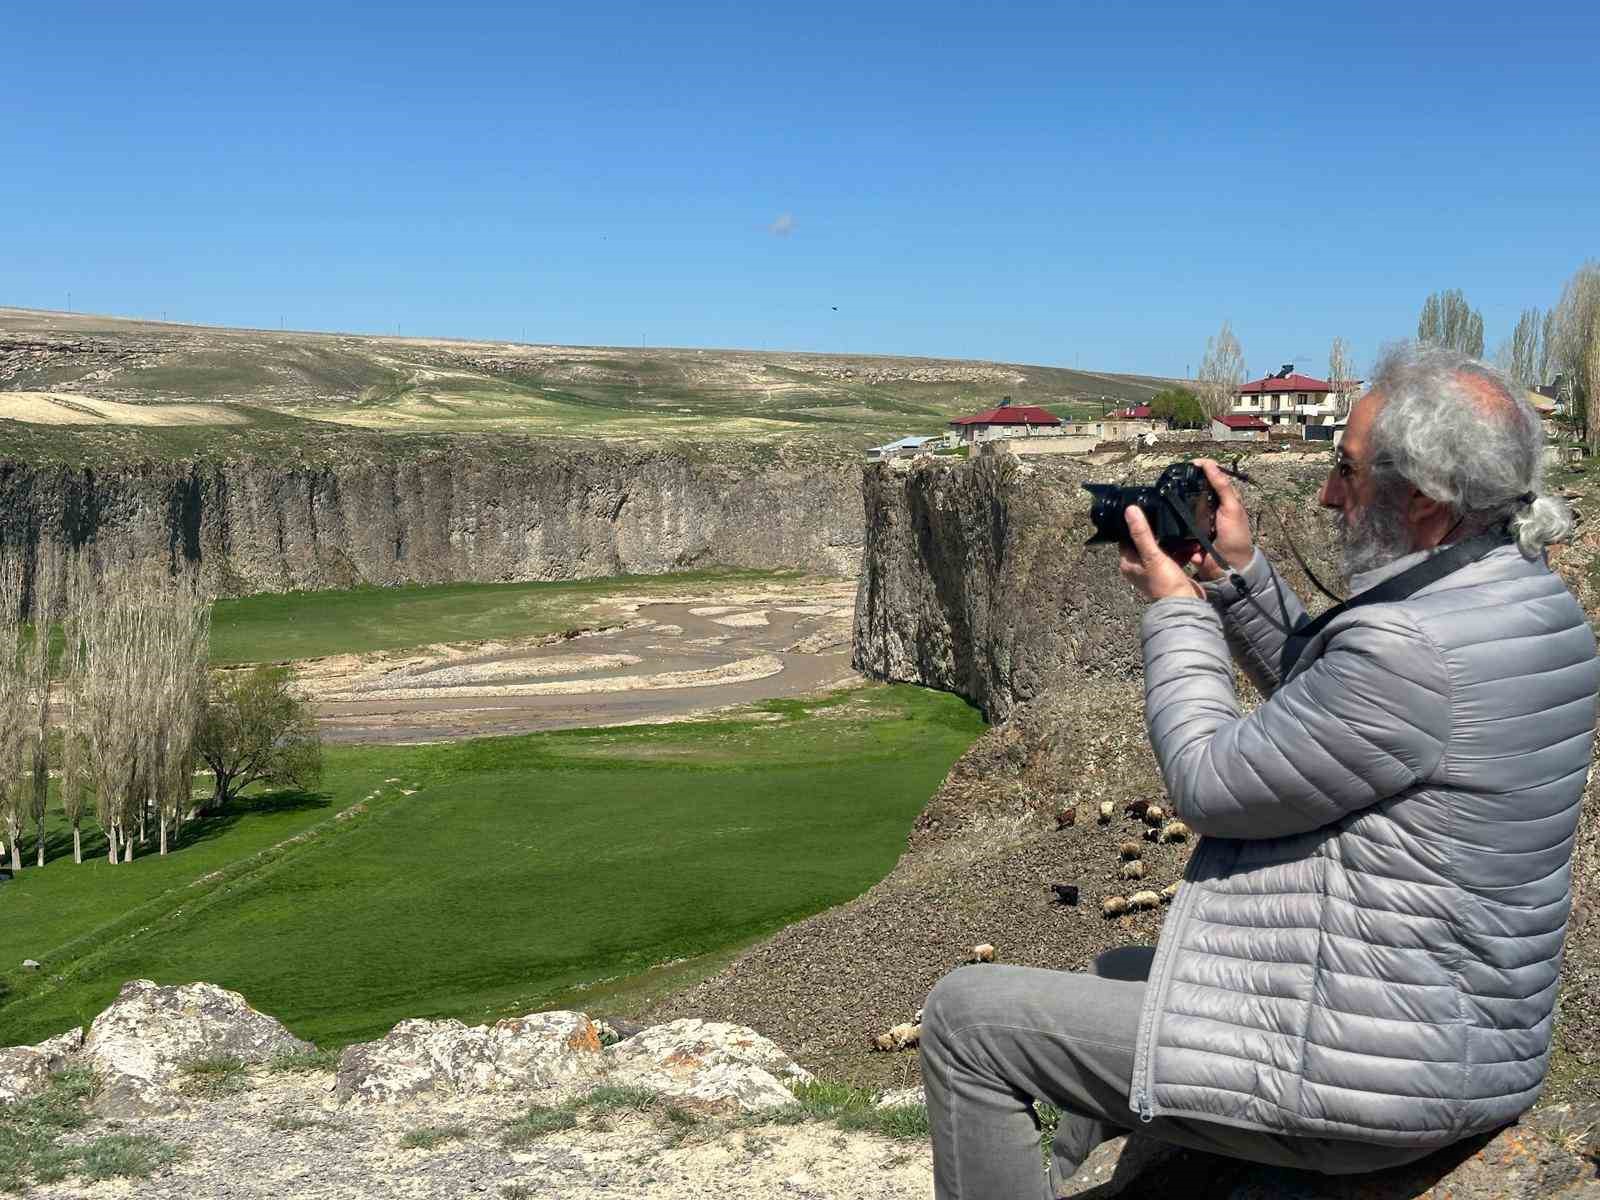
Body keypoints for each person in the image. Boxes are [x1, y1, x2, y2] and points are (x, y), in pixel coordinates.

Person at [918, 344, 1600, 1200]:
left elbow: (1207, 783)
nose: (1327, 497)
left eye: (1346, 472)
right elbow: (1343, 715)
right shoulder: (1527, 601)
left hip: (1366, 1080)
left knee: (967, 1021)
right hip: (1458, 1039)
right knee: (1119, 973)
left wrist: (1177, 611)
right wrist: (1239, 580)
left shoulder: (1411, 645)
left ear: (1426, 499)